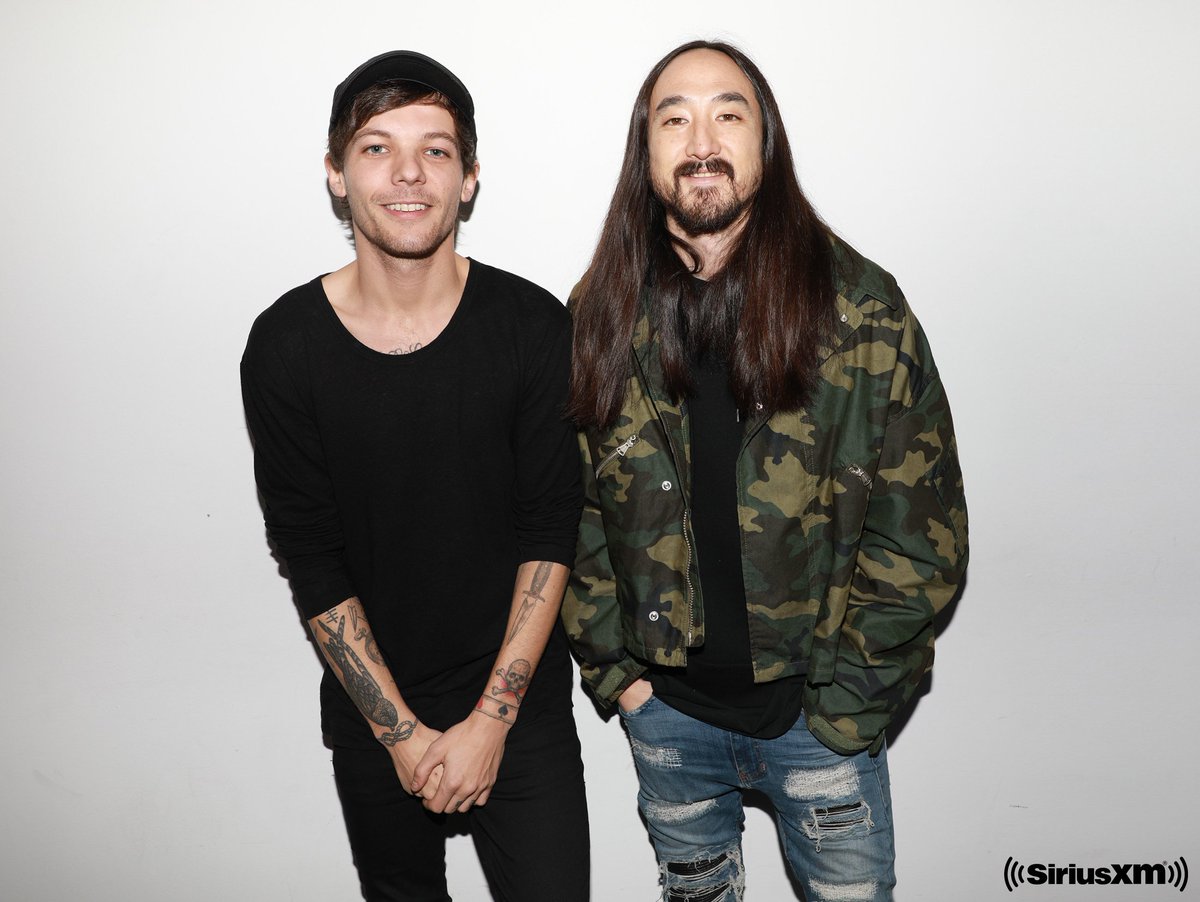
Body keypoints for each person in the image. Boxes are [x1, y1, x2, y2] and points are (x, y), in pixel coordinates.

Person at [562, 40, 968, 902]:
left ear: (766, 141)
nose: (701, 140)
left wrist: (847, 710)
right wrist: (620, 679)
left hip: (819, 728)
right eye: (674, 118)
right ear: (646, 150)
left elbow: (923, 538)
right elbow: (574, 512)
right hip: (667, 724)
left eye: (728, 114)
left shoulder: (860, 313)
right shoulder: (601, 314)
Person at [241, 50, 589, 902]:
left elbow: (551, 529)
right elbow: (310, 555)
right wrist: (400, 735)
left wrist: (490, 724)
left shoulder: (533, 326)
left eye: (435, 149)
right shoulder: (285, 346)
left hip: (520, 710)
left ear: (469, 178)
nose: (407, 173)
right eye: (376, 148)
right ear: (336, 173)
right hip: (372, 715)